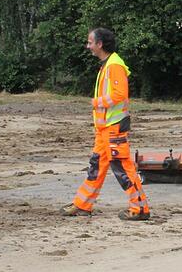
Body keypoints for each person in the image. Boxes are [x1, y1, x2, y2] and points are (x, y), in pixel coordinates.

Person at [61, 27, 151, 221]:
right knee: (96, 166)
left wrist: (96, 102)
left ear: (100, 44)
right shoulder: (108, 64)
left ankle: (140, 209)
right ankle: (82, 204)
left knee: (122, 167)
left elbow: (120, 95)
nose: (88, 46)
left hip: (114, 128)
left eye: (90, 42)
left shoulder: (114, 65)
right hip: (105, 130)